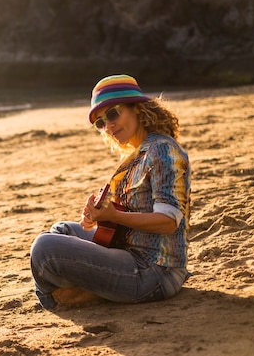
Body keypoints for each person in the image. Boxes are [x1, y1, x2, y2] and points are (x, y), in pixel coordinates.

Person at [30, 74, 191, 310]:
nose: (109, 126)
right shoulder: (137, 154)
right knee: (62, 230)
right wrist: (99, 216)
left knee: (45, 248)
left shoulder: (162, 150)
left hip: (155, 271)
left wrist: (114, 216)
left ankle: (62, 298)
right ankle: (94, 288)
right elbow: (127, 216)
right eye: (101, 123)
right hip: (130, 250)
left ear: (137, 108)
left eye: (113, 114)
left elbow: (168, 222)